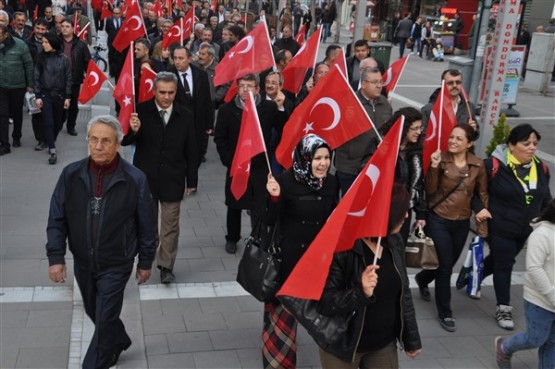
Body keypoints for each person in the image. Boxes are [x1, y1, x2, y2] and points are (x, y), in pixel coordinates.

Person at [46, 115, 157, 369]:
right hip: (83, 261)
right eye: (93, 140)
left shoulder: (135, 179)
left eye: (105, 141)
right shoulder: (71, 174)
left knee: (104, 320)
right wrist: (56, 257)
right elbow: (56, 217)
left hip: (117, 263)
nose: (98, 146)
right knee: (94, 312)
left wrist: (146, 260)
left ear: (118, 144)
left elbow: (147, 224)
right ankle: (119, 339)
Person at [316, 183, 422, 368]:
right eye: (402, 211)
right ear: (386, 214)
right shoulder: (343, 248)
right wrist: (361, 292)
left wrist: (411, 338)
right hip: (342, 345)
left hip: (383, 344)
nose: (406, 215)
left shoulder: (395, 242)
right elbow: (325, 302)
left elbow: (404, 293)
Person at [263, 134, 339, 369]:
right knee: (282, 321)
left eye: (327, 157)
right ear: (306, 158)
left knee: (326, 318)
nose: (323, 163)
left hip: (319, 262)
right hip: (289, 261)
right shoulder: (284, 181)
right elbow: (268, 220)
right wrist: (274, 198)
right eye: (317, 158)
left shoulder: (332, 182)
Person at [123, 72, 199, 284]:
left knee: (170, 225)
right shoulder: (141, 111)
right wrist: (134, 131)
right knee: (147, 224)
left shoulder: (185, 115)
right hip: (145, 178)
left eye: (171, 92)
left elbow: (192, 150)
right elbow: (124, 140)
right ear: (154, 91)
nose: (166, 97)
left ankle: (166, 266)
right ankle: (146, 258)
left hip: (173, 178)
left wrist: (192, 180)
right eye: (162, 92)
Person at [414, 123, 490, 332]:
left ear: (469, 143)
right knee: (446, 267)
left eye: (458, 139)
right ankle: (445, 312)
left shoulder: (477, 165)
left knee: (446, 263)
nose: (452, 141)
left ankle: (422, 278)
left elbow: (480, 194)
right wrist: (434, 166)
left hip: (462, 222)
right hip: (439, 219)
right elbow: (429, 190)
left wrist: (482, 214)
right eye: (451, 137)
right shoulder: (442, 159)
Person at [482, 124, 552, 330]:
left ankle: (469, 275)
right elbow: (478, 192)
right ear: (511, 145)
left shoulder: (541, 167)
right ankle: (503, 307)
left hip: (525, 228)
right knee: (505, 264)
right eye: (526, 143)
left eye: (534, 144)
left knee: (497, 260)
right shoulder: (493, 166)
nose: (531, 147)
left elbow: (546, 198)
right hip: (500, 225)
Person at [214, 74, 287, 254]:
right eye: (242, 86)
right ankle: (232, 238)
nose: (246, 90)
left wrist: (281, 107)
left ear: (257, 89)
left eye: (250, 86)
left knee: (259, 205)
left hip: (260, 165)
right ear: (237, 88)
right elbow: (220, 138)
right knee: (234, 204)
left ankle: (258, 237)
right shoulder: (226, 110)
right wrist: (228, 159)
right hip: (237, 165)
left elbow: (283, 128)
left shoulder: (269, 107)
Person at [495, 199, 555, 369]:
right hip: (540, 300)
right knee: (535, 338)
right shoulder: (542, 234)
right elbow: (535, 269)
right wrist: (552, 295)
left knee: (552, 342)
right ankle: (505, 347)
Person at [335, 67, 393, 194]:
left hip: (375, 166)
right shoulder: (349, 102)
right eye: (375, 82)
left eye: (381, 82)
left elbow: (389, 131)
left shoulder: (385, 104)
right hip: (350, 167)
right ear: (364, 84)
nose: (379, 86)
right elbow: (337, 134)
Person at [375, 107, 426, 243]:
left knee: (397, 249)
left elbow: (418, 184)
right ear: (404, 128)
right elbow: (367, 174)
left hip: (404, 212)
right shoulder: (381, 145)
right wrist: (379, 156)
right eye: (415, 128)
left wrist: (420, 213)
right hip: (382, 210)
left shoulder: (416, 151)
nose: (418, 132)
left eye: (420, 128)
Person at [170, 46, 214, 164]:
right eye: (175, 58)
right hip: (177, 125)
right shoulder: (168, 75)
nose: (177, 61)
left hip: (198, 125)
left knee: (195, 159)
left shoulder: (201, 75)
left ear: (189, 59)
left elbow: (207, 100)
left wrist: (209, 124)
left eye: (181, 58)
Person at [34, 32, 72, 165]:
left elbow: (68, 78)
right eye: (42, 42)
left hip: (60, 95)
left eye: (46, 42)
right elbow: (36, 77)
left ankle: (51, 140)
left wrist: (68, 97)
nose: (43, 44)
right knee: (48, 122)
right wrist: (37, 96)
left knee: (58, 122)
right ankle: (52, 149)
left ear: (53, 44)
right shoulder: (40, 58)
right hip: (45, 95)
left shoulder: (64, 59)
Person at [0, 23, 34, 154]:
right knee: (2, 115)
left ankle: (16, 136)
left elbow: (29, 65)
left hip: (17, 86)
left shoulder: (20, 45)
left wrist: (30, 84)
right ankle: (4, 143)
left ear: (6, 35)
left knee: (16, 113)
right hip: (1, 86)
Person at [59, 17, 91, 136]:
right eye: (62, 26)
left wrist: (89, 75)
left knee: (73, 105)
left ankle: (71, 126)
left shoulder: (81, 44)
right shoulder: (56, 42)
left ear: (73, 28)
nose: (64, 29)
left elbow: (88, 61)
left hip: (74, 79)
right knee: (60, 104)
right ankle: (59, 122)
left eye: (67, 26)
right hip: (58, 79)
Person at [421, 69, 477, 133]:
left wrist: (473, 131)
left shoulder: (469, 107)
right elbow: (422, 135)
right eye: (450, 83)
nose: (455, 85)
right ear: (443, 85)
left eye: (458, 82)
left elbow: (474, 134)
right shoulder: (429, 109)